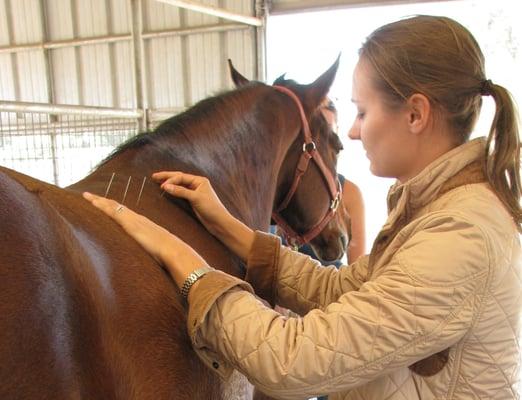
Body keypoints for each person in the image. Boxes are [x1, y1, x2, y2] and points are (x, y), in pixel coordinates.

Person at [84, 15, 521, 400]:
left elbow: (295, 358)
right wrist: (231, 229)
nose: (351, 131)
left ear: (415, 114)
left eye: (363, 112)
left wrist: (188, 265)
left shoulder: (459, 236)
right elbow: (343, 293)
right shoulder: (438, 211)